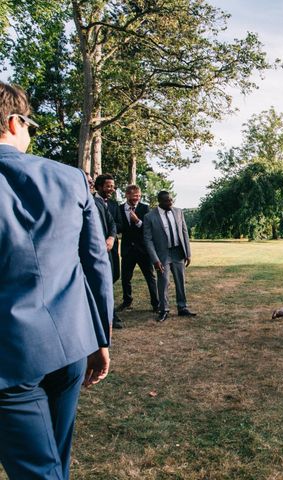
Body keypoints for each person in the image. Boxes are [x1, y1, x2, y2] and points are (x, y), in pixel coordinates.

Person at [0, 82, 112, 479]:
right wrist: (101, 337)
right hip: (68, 346)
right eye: (29, 124)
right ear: (14, 122)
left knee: (40, 470)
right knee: (54, 464)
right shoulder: (69, 178)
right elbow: (96, 264)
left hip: (12, 355)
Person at [144, 190, 196, 322]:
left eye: (171, 200)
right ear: (160, 202)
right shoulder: (150, 217)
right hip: (163, 254)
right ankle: (164, 310)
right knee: (163, 281)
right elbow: (148, 240)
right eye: (167, 200)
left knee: (180, 280)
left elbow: (184, 232)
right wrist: (155, 259)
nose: (171, 202)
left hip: (178, 251)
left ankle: (182, 307)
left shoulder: (178, 212)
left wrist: (188, 253)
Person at [88, 172, 124, 329]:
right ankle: (110, 316)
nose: (111, 189)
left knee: (113, 276)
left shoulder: (104, 204)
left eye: (112, 186)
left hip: (110, 248)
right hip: (93, 250)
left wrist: (110, 238)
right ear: (98, 186)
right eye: (108, 186)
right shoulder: (90, 201)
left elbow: (113, 224)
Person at [118, 184, 159, 313]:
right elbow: (118, 227)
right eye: (135, 195)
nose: (137, 198)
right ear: (127, 195)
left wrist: (137, 221)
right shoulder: (119, 209)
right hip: (127, 250)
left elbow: (148, 229)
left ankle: (156, 304)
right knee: (125, 278)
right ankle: (127, 301)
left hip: (143, 250)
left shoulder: (144, 208)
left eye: (139, 196)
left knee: (150, 277)